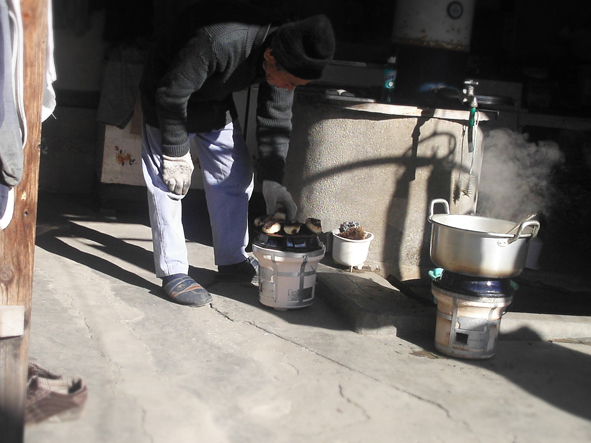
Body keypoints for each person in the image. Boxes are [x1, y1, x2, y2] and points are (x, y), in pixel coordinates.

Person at [139, 0, 336, 307]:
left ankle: (232, 259)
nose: (289, 88)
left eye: (297, 85)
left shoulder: (285, 59)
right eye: (289, 82)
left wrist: (273, 181)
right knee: (169, 184)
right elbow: (171, 95)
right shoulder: (219, 41)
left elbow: (275, 120)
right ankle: (173, 271)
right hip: (167, 93)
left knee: (236, 175)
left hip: (214, 98)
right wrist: (176, 154)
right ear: (270, 56)